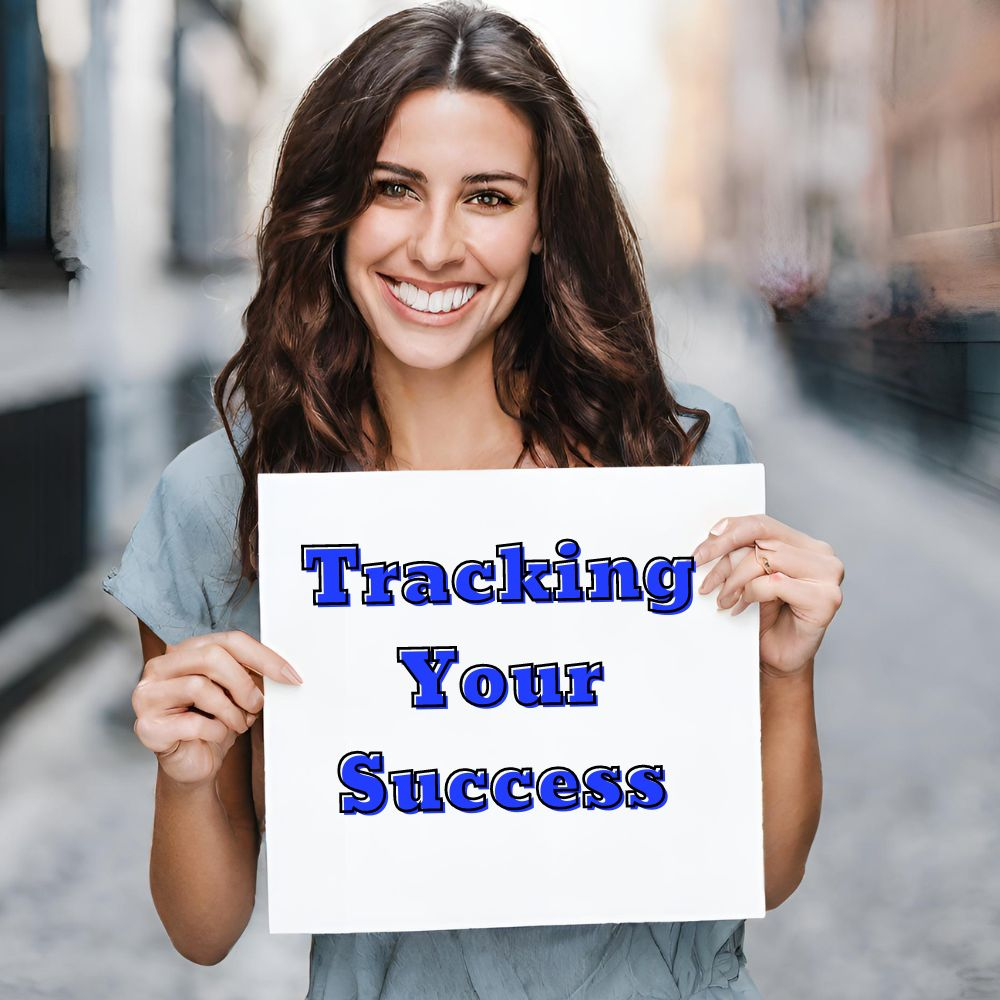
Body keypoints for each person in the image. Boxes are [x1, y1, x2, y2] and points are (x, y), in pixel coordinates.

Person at [104, 3, 843, 997]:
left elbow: (760, 871)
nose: (437, 245)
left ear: (545, 226)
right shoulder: (221, 499)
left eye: (489, 197)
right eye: (393, 189)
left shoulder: (676, 463)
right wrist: (188, 771)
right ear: (335, 209)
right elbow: (203, 930)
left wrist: (786, 676)